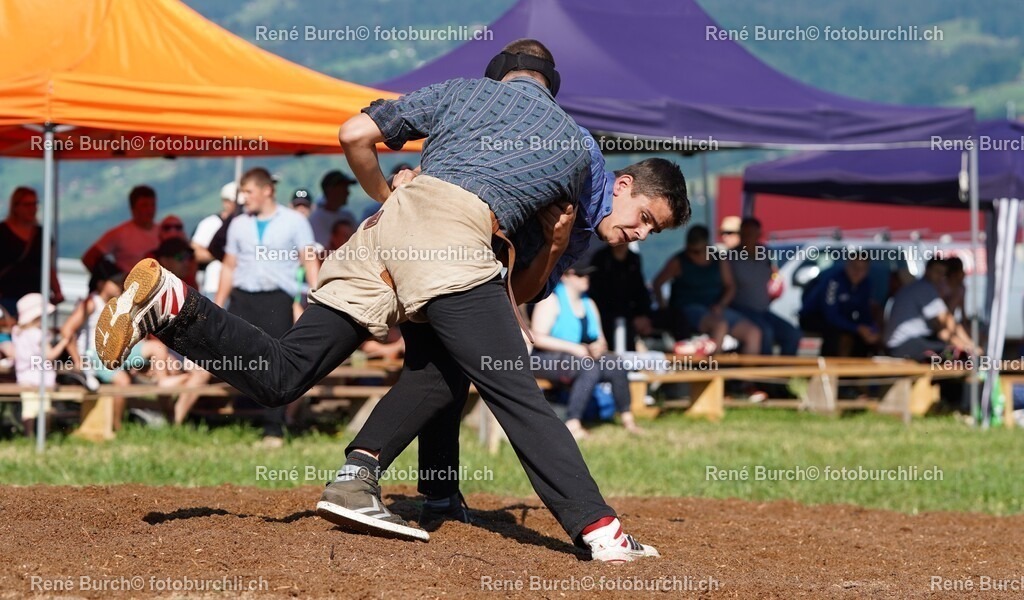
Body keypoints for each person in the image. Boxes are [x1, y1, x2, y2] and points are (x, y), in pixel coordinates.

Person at [96, 39, 686, 562]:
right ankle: (602, 531)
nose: (638, 235)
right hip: (457, 238)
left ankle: (176, 307)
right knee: (517, 392)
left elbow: (354, 134)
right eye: (644, 221)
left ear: (496, 76)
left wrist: (389, 196)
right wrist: (554, 247)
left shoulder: (460, 94)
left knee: (289, 371)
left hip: (384, 229)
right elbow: (521, 284)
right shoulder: (580, 149)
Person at [215, 167, 319, 447]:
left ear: (266, 190)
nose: (244, 198)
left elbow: (309, 258)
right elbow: (229, 266)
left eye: (248, 192)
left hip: (277, 299)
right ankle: (227, 418)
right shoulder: (238, 224)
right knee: (233, 359)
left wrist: (317, 296)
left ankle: (273, 429)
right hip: (243, 297)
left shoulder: (294, 222)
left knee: (276, 364)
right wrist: (218, 304)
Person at [530, 261, 644, 439]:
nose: (586, 278)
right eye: (581, 275)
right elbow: (536, 337)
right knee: (589, 367)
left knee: (615, 364)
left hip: (580, 357)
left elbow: (601, 340)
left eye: (587, 274)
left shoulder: (589, 303)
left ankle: (627, 419)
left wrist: (598, 348)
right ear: (566, 276)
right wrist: (575, 349)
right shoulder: (551, 300)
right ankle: (573, 423)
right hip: (544, 359)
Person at [652, 225, 761, 354]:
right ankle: (714, 371)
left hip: (716, 307)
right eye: (690, 250)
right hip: (689, 309)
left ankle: (747, 373)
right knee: (720, 326)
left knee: (754, 333)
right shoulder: (679, 261)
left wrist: (721, 304)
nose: (692, 255)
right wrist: (664, 308)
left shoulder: (718, 260)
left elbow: (730, 287)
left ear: (706, 246)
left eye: (697, 251)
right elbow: (657, 283)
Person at [728, 217, 800, 356]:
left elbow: (773, 275)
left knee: (793, 334)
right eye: (744, 234)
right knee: (765, 332)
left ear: (758, 235)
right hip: (741, 309)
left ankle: (785, 374)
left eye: (751, 234)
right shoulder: (730, 258)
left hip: (763, 310)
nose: (747, 238)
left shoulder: (765, 253)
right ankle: (763, 376)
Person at [884, 258, 980, 361]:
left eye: (943, 273)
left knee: (950, 351)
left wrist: (966, 345)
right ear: (927, 270)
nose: (940, 277)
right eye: (937, 272)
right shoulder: (925, 288)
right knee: (952, 354)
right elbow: (947, 322)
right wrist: (969, 346)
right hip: (905, 345)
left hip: (900, 344)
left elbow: (944, 325)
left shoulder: (920, 286)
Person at [800, 253, 880, 357]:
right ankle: (828, 369)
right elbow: (831, 316)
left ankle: (857, 371)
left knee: (863, 338)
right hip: (814, 316)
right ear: (847, 265)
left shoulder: (866, 284)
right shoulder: (834, 281)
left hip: (841, 318)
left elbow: (864, 312)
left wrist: (870, 329)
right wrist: (857, 328)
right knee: (834, 333)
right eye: (854, 267)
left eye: (862, 269)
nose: (857, 272)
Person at [12, 293, 70, 437]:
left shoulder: (17, 332)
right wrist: (64, 342)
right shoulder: (39, 335)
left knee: (29, 409)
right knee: (44, 408)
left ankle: (28, 434)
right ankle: (44, 434)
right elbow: (49, 356)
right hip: (41, 377)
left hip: (24, 377)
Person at [0, 187, 63, 318]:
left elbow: (48, 266)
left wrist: (57, 291)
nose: (33, 208)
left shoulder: (41, 234)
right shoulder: (3, 231)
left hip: (35, 297)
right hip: (7, 295)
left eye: (35, 204)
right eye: (27, 204)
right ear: (16, 207)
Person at [586, 243, 653, 352]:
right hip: (605, 313)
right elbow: (596, 291)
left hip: (629, 314)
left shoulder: (634, 259)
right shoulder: (601, 258)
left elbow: (640, 290)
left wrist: (643, 314)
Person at [82, 185, 160, 274]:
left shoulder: (164, 232)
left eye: (153, 205)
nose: (150, 210)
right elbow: (89, 258)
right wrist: (107, 279)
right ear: (133, 208)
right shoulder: (119, 233)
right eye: (144, 205)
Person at [192, 182, 242, 299]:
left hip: (239, 287)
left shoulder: (245, 224)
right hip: (214, 285)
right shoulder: (210, 223)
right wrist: (224, 253)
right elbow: (195, 252)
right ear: (225, 202)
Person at [308, 170, 357, 247]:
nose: (348, 192)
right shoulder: (316, 218)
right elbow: (321, 250)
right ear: (330, 190)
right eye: (344, 188)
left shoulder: (348, 216)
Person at [941, 256, 966, 323]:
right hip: (942, 322)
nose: (964, 273)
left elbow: (963, 310)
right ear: (953, 274)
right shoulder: (942, 286)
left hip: (950, 322)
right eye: (961, 270)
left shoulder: (961, 288)